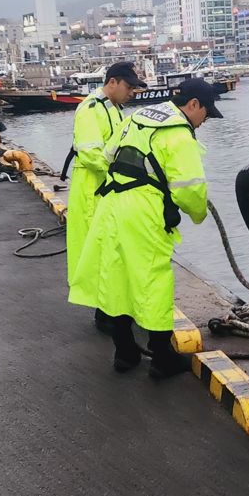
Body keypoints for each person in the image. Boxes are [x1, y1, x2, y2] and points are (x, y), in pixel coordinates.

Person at [68, 78, 223, 379]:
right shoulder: (179, 134)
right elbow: (189, 191)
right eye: (206, 113)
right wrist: (198, 213)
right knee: (153, 281)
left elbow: (110, 154)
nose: (205, 121)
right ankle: (162, 358)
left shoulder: (138, 116)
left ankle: (124, 353)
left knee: (117, 277)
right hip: (144, 212)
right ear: (193, 105)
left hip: (112, 204)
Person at [61, 61, 147, 330]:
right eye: (129, 86)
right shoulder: (90, 109)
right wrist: (122, 173)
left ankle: (112, 309)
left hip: (108, 188)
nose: (132, 92)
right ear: (112, 82)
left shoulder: (115, 109)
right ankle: (104, 314)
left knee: (110, 248)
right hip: (92, 189)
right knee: (98, 249)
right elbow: (92, 153)